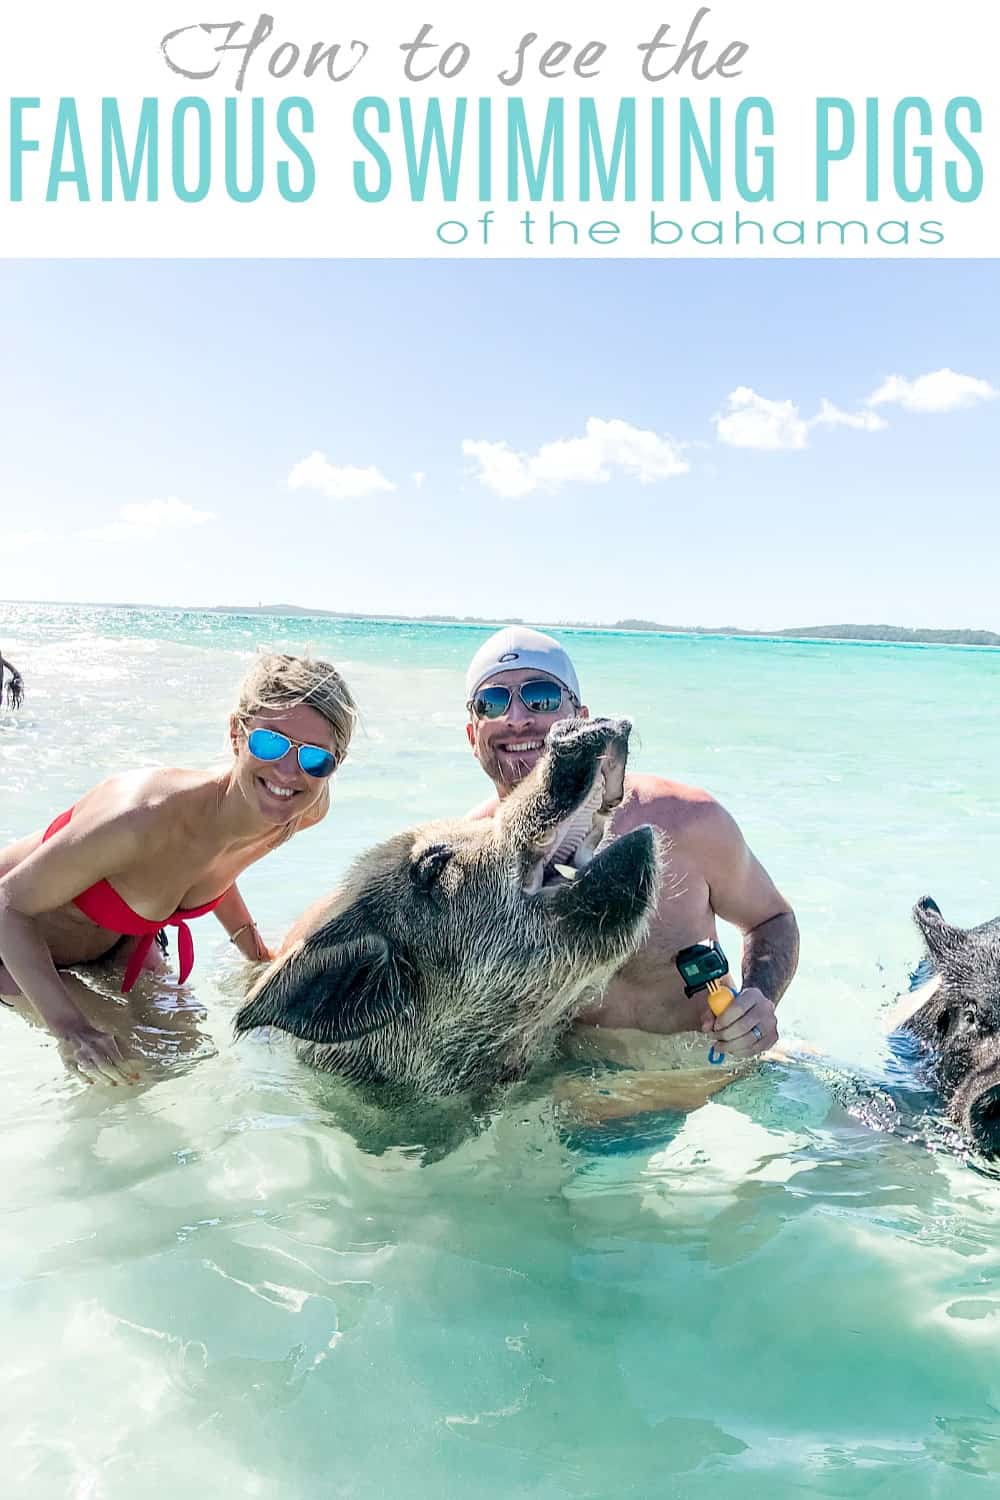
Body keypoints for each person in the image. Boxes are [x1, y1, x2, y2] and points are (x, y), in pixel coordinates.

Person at [0, 651, 355, 1085]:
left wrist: (255, 952)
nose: (288, 770)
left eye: (317, 758)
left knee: (194, 1058)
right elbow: (8, 905)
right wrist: (71, 1031)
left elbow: (215, 862)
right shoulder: (141, 816)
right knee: (129, 1077)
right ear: (236, 734)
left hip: (119, 943)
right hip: (17, 942)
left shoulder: (301, 807)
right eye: (270, 742)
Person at [464, 625, 799, 1071]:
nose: (516, 718)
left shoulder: (685, 820)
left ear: (580, 718)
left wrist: (759, 1000)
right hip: (577, 1098)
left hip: (711, 1071)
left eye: (540, 696)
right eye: (493, 702)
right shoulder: (467, 871)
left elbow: (772, 919)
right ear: (472, 735)